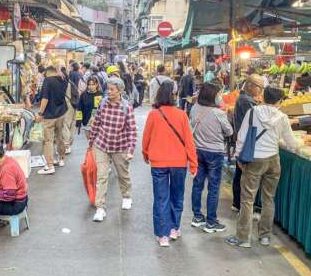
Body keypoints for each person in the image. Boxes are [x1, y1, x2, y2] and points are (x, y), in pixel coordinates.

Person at [225, 87, 297, 248]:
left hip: (254, 160)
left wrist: (238, 157)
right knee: (268, 198)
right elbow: (292, 143)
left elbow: (242, 136)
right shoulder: (282, 117)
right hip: (273, 160)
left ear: (263, 97)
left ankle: (243, 238)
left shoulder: (252, 113)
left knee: (248, 199)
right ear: (279, 101)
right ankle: (265, 236)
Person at [142, 81, 198, 247]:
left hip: (158, 163)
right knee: (177, 195)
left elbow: (146, 137)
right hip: (179, 163)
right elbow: (189, 141)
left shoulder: (153, 114)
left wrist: (146, 154)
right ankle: (174, 228)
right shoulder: (181, 115)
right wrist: (194, 164)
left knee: (161, 198)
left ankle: (162, 235)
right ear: (174, 95)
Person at [89, 77, 137, 222]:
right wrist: (91, 142)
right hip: (102, 145)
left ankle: (127, 196)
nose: (108, 92)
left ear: (120, 91)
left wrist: (130, 150)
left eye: (112, 89)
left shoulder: (126, 107)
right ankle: (100, 208)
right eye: (107, 89)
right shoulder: (103, 103)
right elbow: (96, 123)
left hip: (120, 147)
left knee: (123, 174)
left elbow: (132, 131)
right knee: (102, 176)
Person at [189, 82, 234, 233]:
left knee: (197, 185)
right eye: (218, 95)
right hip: (214, 153)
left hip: (197, 150)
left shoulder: (195, 108)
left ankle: (197, 217)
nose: (220, 97)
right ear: (213, 96)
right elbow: (229, 131)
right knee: (213, 188)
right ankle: (211, 222)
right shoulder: (218, 113)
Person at [232, 74, 265, 212]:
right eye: (260, 88)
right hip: (246, 142)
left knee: (240, 173)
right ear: (251, 85)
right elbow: (259, 118)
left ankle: (237, 203)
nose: (261, 91)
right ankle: (240, 204)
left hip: (243, 140)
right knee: (244, 175)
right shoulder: (246, 101)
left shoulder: (244, 98)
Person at [35, 66, 68, 175]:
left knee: (48, 140)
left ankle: (50, 165)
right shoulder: (63, 79)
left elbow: (45, 98)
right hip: (61, 112)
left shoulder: (48, 81)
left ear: (47, 72)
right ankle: (61, 159)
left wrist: (40, 113)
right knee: (59, 137)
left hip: (50, 115)